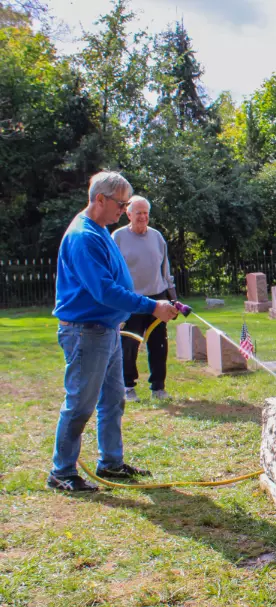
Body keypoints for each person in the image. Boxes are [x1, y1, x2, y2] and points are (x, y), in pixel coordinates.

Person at [49, 172, 178, 492]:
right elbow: (103, 290)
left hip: (104, 329)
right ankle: (62, 472)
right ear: (100, 200)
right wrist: (151, 306)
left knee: (112, 400)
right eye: (121, 204)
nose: (124, 209)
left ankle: (110, 463)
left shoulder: (100, 230)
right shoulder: (84, 236)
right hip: (85, 331)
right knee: (80, 404)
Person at [113, 195, 177, 401]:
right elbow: (112, 270)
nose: (143, 217)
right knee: (129, 344)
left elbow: (165, 268)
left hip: (157, 297)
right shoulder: (118, 237)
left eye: (146, 213)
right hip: (131, 299)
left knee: (159, 343)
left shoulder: (157, 237)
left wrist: (172, 295)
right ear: (128, 214)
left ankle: (158, 387)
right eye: (138, 213)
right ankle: (127, 387)